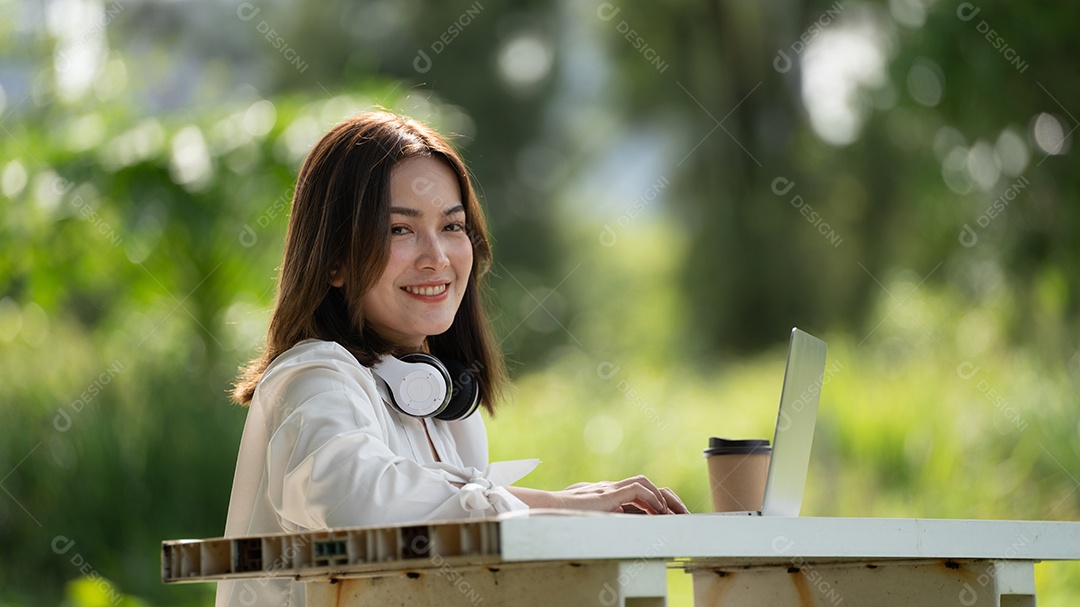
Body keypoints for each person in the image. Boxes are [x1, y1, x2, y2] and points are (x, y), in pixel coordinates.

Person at [216, 111, 687, 606]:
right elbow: (361, 502)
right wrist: (558, 506)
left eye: (452, 225)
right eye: (400, 229)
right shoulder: (312, 377)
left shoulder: (439, 408)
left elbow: (450, 529)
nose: (436, 256)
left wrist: (568, 509)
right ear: (334, 259)